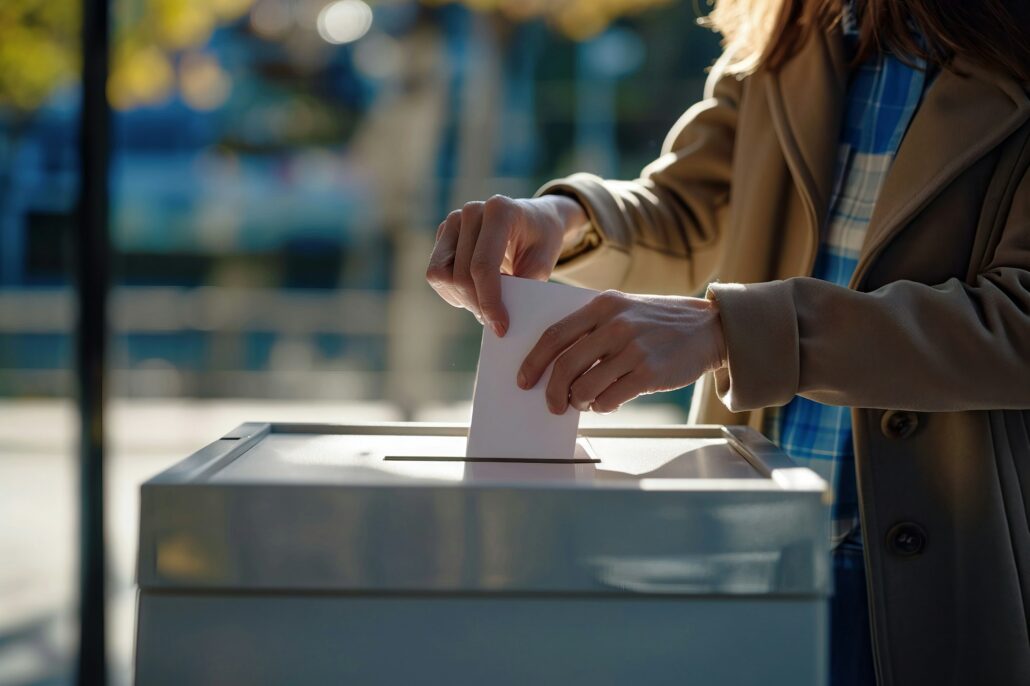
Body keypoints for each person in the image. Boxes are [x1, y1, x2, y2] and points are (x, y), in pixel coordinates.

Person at [425, 0, 1030, 683]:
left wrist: (729, 331)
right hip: (748, 539)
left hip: (946, 566)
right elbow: (688, 205)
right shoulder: (795, 24)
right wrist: (565, 218)